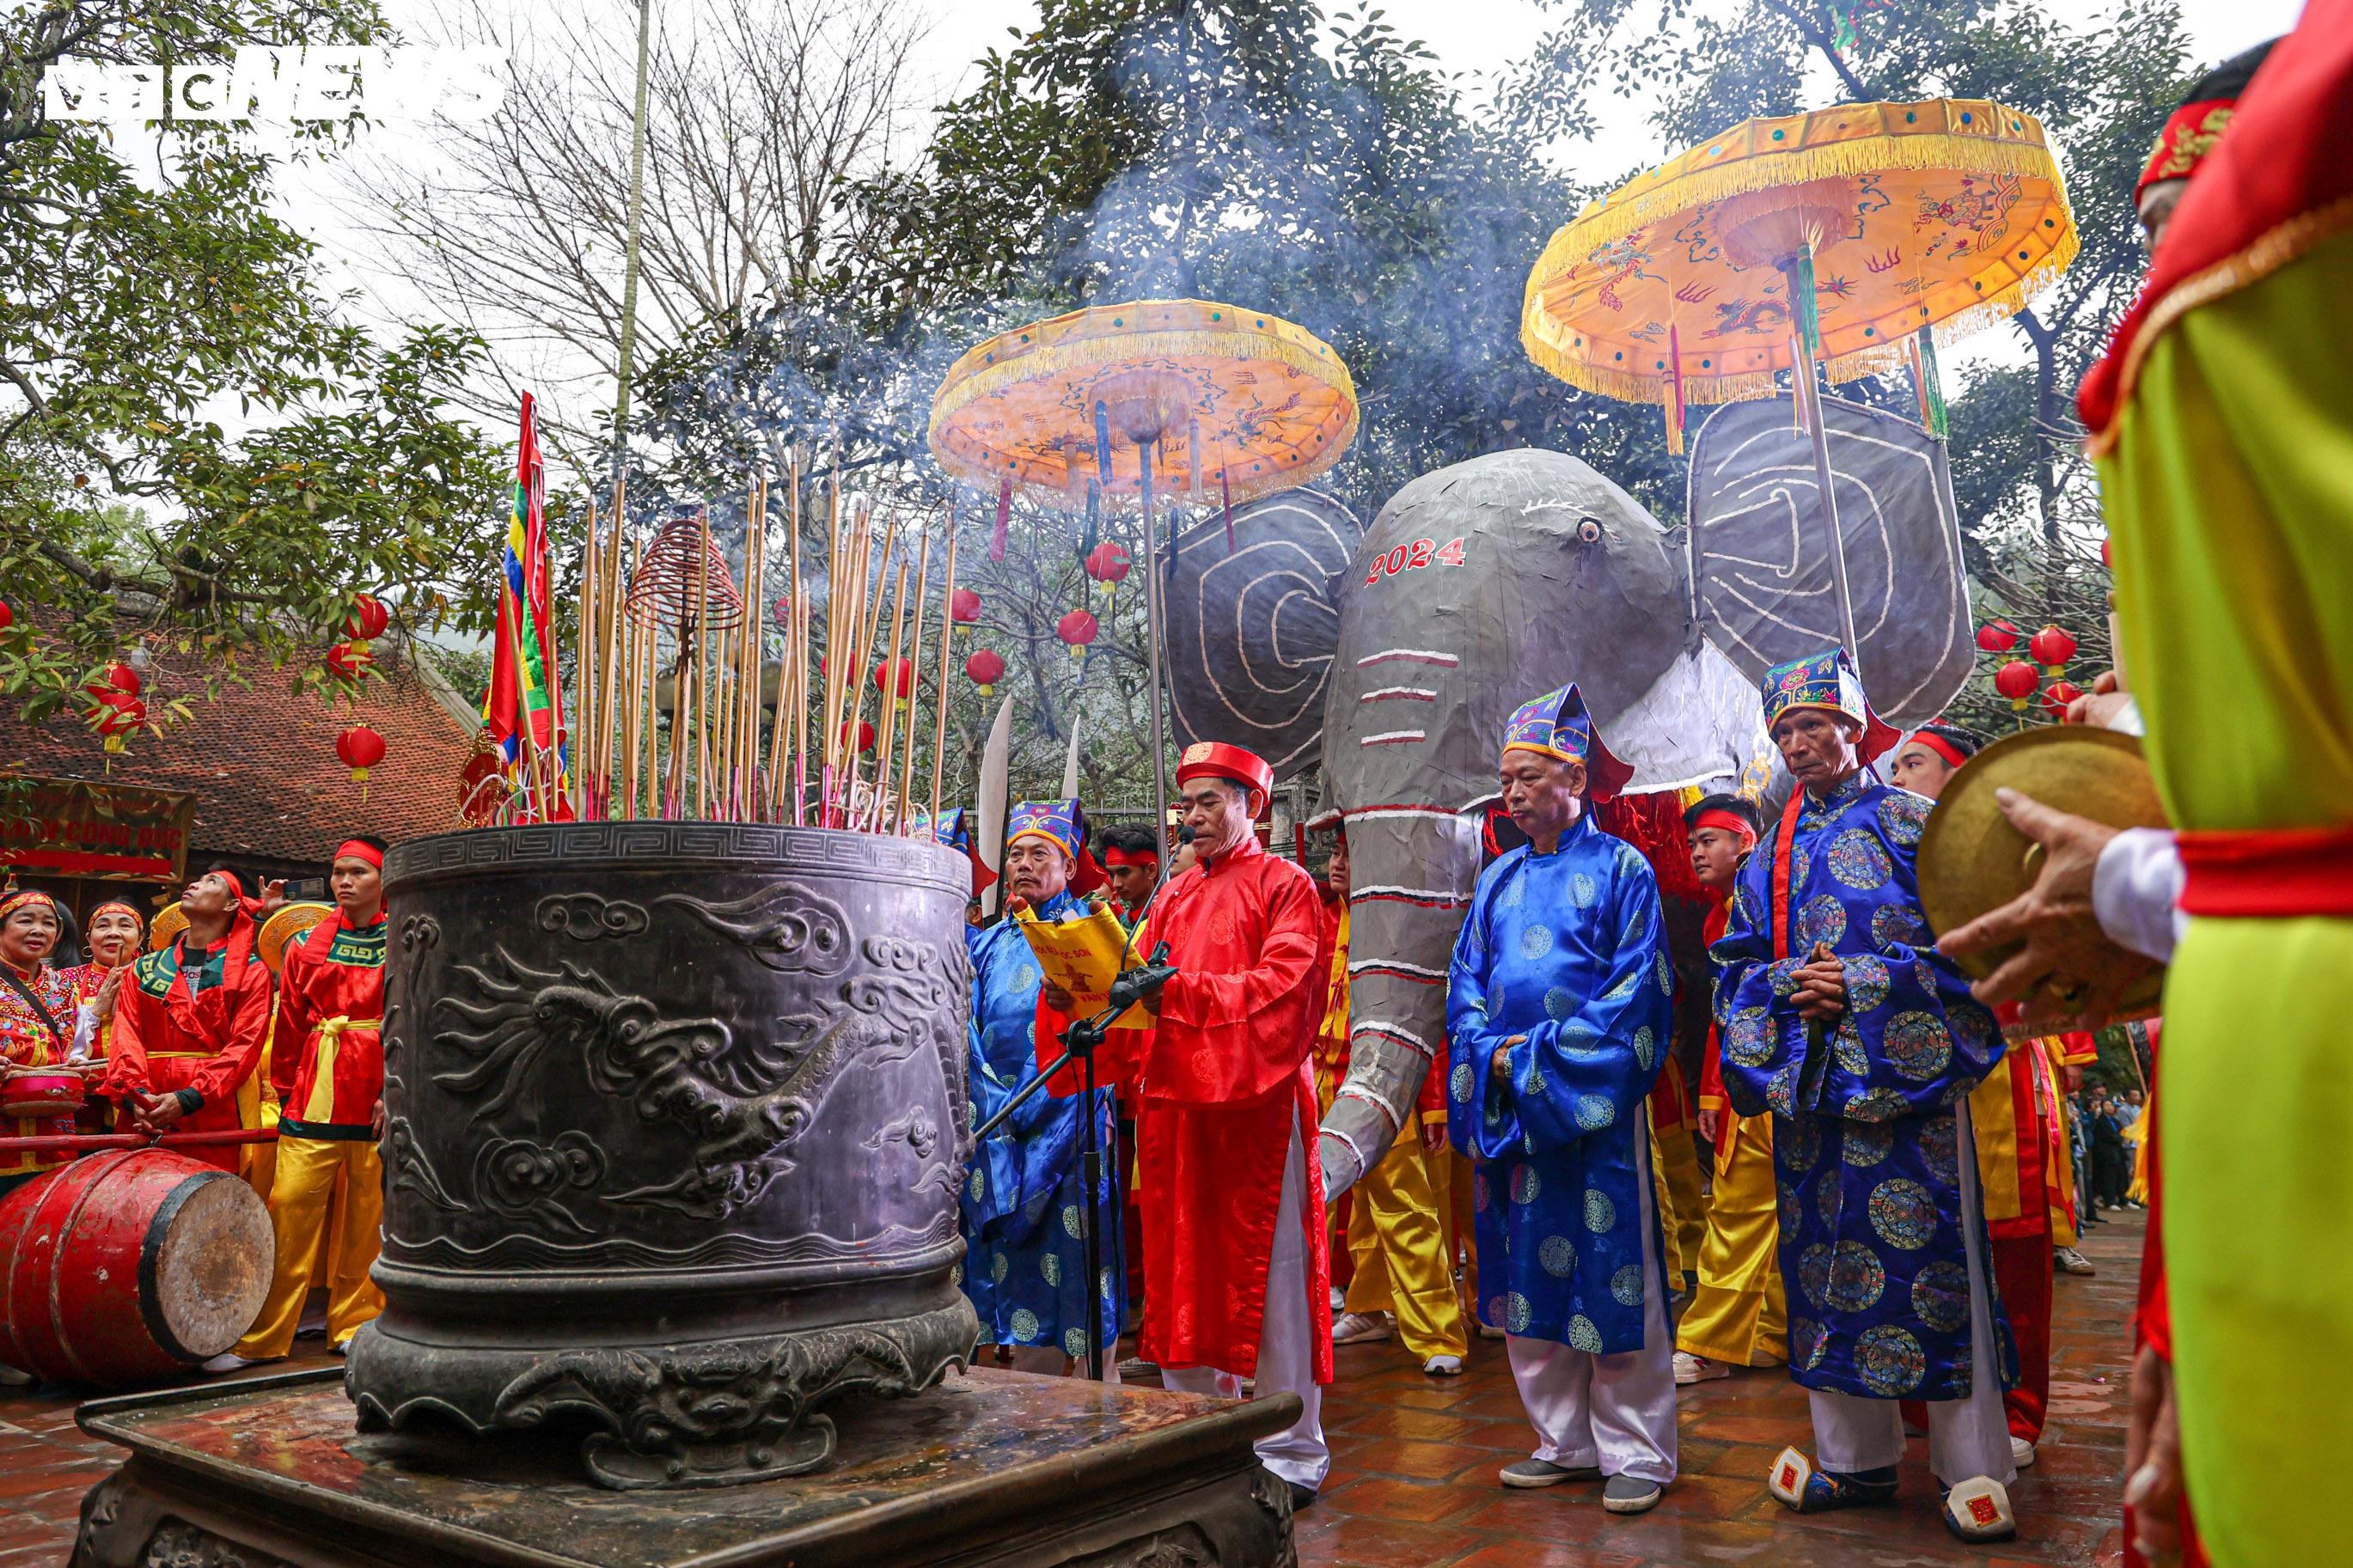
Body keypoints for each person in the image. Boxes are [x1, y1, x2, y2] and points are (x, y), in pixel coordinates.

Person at [1711, 647, 2018, 1541]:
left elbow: (1982, 943)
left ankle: (1972, 1466)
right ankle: (1851, 1460)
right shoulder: (1765, 852)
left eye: (1815, 724)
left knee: (1938, 1271)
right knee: (1823, 1268)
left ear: (1854, 727)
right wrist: (1784, 990)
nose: (1800, 743)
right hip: (1812, 1093)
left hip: (1909, 1088)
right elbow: (1734, 972)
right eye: (1784, 730)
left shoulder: (1917, 822)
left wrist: (1863, 985)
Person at [1445, 684, 1677, 1515]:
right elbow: (1465, 978)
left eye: (1527, 775)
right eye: (1505, 778)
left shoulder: (1625, 868)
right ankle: (1562, 1440)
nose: (1510, 792)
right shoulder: (1499, 876)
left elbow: (1637, 988)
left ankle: (1638, 1449)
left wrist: (1542, 1059)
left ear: (1573, 776)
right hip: (1512, 1102)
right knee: (1523, 1274)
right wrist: (1489, 1052)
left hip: (1593, 1105)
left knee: (1617, 1276)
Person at [1087, 741, 1334, 1508]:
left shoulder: (1286, 885)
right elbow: (1139, 985)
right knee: (1179, 1269)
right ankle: (1201, 1434)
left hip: (1255, 1111)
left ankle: (1290, 1452)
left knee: (1273, 1281)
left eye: (1207, 803)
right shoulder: (1174, 892)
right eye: (1185, 804)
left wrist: (1180, 992)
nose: (1190, 817)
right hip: (1178, 1111)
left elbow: (1282, 989)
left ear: (1249, 804)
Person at [1885, 721, 2063, 1469]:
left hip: (1999, 1074)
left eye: (1914, 763)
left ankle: (2018, 1410)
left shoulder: (2010, 857)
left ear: (1960, 780)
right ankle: (1926, 1398)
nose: (1895, 777)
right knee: (1918, 1229)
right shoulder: (1883, 861)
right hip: (1914, 1078)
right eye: (1891, 765)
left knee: (2009, 1237)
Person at [210, 838, 392, 1370]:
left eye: (358, 871)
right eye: (338, 872)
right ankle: (262, 1335)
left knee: (367, 1214)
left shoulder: (404, 939)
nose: (344, 881)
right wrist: (286, 1086)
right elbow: (288, 1018)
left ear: (384, 880)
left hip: (378, 1085)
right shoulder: (307, 942)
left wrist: (396, 1092)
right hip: (317, 1083)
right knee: (288, 1207)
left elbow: (417, 1019)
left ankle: (355, 1325)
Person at [965, 798, 1123, 1378]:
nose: (1023, 865)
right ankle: (1026, 1399)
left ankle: (1099, 1401)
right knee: (1012, 1267)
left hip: (1071, 1124)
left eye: (1039, 853)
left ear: (1068, 864)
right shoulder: (987, 942)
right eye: (1015, 854)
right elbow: (969, 1032)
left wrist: (1042, 1106)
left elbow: (1107, 1031)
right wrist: (997, 1113)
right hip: (998, 1127)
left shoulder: (1091, 935)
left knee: (1078, 1262)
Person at [1318, 819, 1470, 1376]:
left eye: (1349, 854)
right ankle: (1368, 1304)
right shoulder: (1320, 920)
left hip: (1382, 1086)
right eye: (1333, 853)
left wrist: (1429, 1101)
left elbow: (1425, 1022)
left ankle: (1438, 1330)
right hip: (1320, 1081)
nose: (1336, 864)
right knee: (1344, 1208)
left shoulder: (1401, 931)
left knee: (1404, 1204)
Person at [1674, 793, 1787, 1387]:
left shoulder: (1757, 899)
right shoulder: (1726, 910)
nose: (1696, 853)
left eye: (1708, 840)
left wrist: (1725, 1091)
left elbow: (1750, 1010)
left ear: (1745, 840)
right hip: (1758, 1077)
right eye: (1692, 844)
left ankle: (1711, 1341)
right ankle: (1771, 1331)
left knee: (1738, 1206)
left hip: (1768, 1077)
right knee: (1769, 1205)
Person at [100, 867, 272, 1174]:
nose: (195, 883)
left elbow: (245, 1045)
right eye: (200, 878)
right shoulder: (144, 967)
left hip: (210, 1106)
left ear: (231, 905)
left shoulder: (251, 970)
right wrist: (135, 1098)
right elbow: (125, 1036)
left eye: (211, 882)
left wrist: (190, 1097)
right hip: (145, 1105)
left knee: (206, 1201)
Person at [0, 889, 86, 1199]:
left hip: (54, 1134)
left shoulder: (65, 987)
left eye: (49, 923)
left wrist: (80, 1062)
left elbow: (78, 1048)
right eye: (25, 920)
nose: (38, 930)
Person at [1097, 824, 1163, 925]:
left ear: (1151, 870)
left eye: (1124, 873)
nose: (1116, 884)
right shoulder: (1123, 921)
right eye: (1111, 874)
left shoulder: (1166, 920)